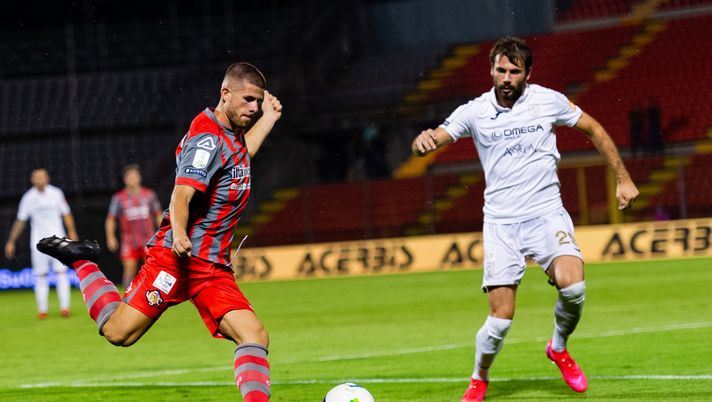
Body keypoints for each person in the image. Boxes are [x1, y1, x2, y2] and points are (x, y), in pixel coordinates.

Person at [37, 62, 282, 402]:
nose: (253, 108)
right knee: (119, 333)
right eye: (248, 100)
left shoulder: (231, 134)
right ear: (226, 94)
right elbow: (181, 194)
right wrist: (179, 233)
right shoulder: (207, 140)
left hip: (211, 269)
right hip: (176, 259)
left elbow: (241, 157)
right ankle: (83, 263)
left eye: (258, 102)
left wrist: (269, 119)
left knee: (254, 335)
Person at [411, 37, 639, 401]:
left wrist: (623, 178)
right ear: (491, 70)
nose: (506, 77)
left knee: (574, 287)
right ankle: (479, 377)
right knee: (500, 320)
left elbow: (594, 128)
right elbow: (437, 137)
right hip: (502, 223)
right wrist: (424, 141)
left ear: (527, 74)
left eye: (514, 71)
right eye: (500, 70)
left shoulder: (547, 101)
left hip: (546, 214)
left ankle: (559, 348)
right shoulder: (474, 111)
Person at [4, 168, 79, 319]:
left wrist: (72, 233)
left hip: (59, 241)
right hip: (38, 243)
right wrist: (11, 241)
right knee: (41, 275)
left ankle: (65, 308)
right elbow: (21, 221)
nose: (40, 179)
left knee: (61, 273)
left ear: (47, 178)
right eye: (36, 177)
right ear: (32, 179)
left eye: (42, 176)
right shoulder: (28, 197)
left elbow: (66, 214)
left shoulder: (56, 193)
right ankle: (43, 310)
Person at [105, 164, 163, 288]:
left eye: (134, 176)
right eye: (129, 176)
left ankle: (152, 296)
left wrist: (163, 233)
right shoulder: (119, 198)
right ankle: (127, 298)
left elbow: (158, 215)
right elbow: (111, 219)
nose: (132, 179)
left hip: (148, 240)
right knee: (129, 270)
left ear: (139, 178)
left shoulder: (149, 195)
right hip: (129, 241)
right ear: (125, 179)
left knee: (151, 268)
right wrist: (110, 237)